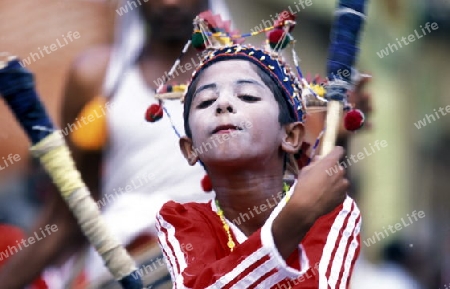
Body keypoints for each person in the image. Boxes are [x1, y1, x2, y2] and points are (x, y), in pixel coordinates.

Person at [156, 14, 361, 289]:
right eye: (206, 101)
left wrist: (305, 212)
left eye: (248, 96)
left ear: (290, 135)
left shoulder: (333, 212)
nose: (223, 104)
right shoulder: (180, 220)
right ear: (190, 148)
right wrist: (296, 216)